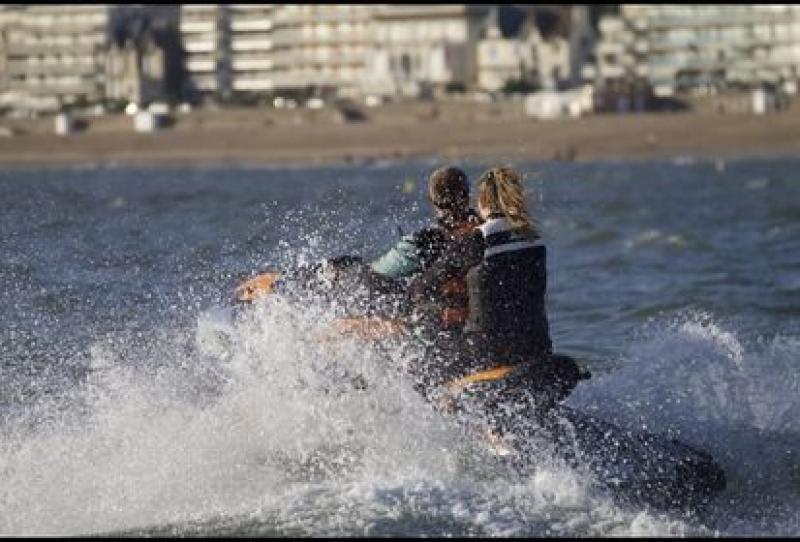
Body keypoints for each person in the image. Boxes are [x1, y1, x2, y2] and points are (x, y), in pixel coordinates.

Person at [405, 166, 582, 435]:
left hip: (486, 351)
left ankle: (464, 429)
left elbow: (422, 288)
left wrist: (437, 300)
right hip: (536, 346)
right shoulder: (532, 238)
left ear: (484, 202)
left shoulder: (478, 239)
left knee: (419, 365)